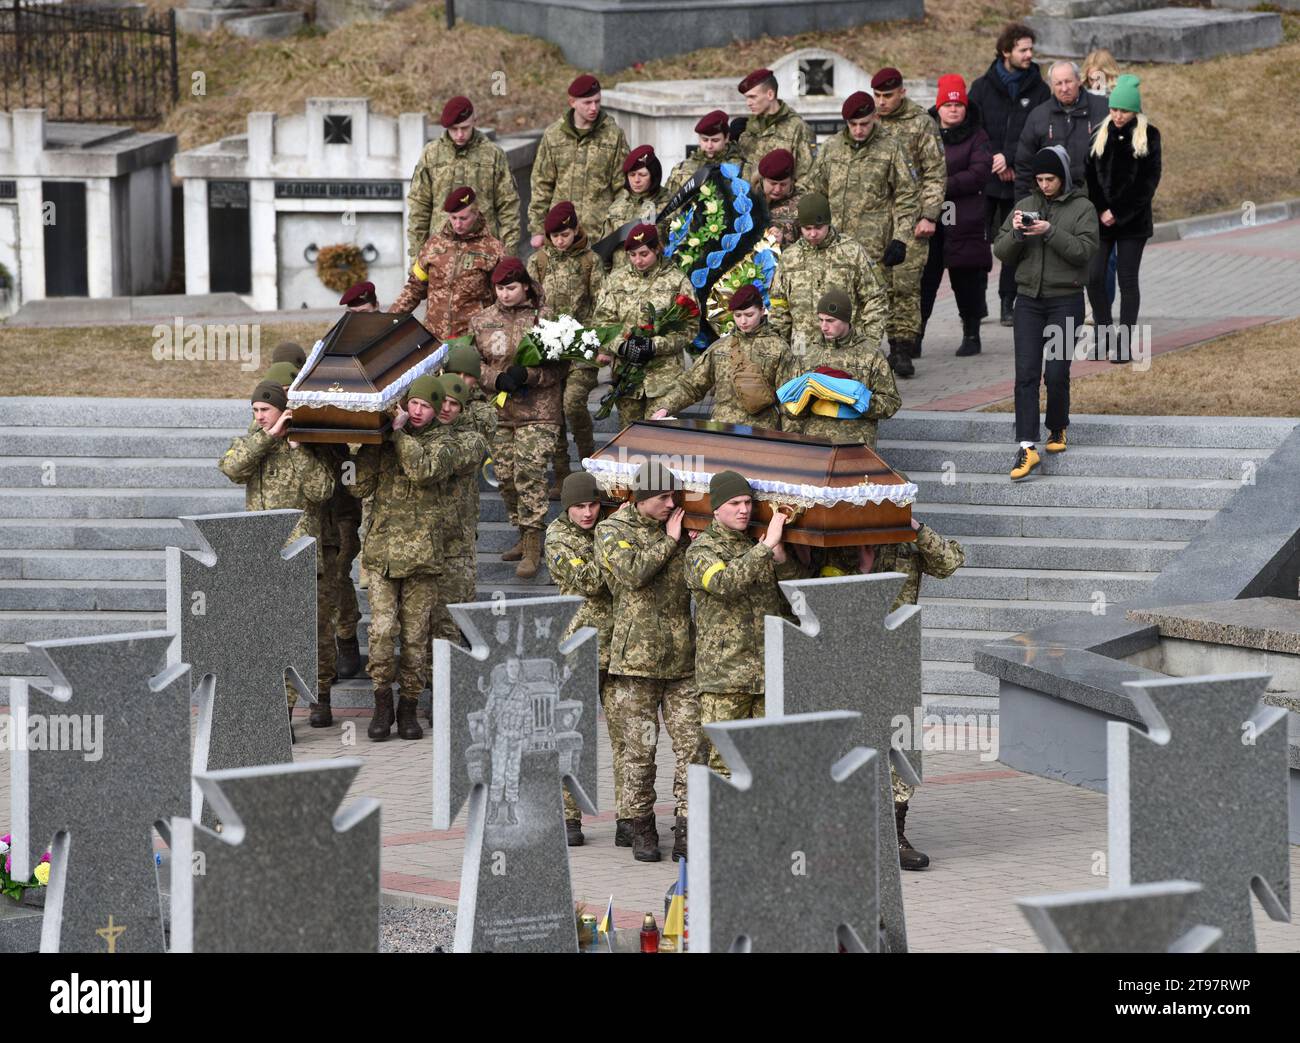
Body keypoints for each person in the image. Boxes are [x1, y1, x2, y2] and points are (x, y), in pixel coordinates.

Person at [350, 375, 487, 740]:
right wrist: (370, 443)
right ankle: (382, 702)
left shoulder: (446, 442)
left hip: (424, 556)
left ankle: (408, 705)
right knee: (380, 632)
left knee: (414, 637)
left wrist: (396, 435)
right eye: (414, 403)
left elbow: (423, 470)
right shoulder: (389, 440)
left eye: (427, 405)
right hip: (382, 555)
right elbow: (356, 484)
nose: (419, 411)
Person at [595, 460, 701, 863]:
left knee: (693, 748)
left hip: (682, 661)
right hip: (635, 663)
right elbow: (633, 572)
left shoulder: (681, 530)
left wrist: (687, 540)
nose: (670, 503)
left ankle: (688, 827)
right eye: (662, 498)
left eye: (673, 496)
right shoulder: (612, 530)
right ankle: (640, 827)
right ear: (640, 499)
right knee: (639, 753)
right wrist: (671, 541)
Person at [218, 380, 335, 734]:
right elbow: (232, 467)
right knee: (271, 639)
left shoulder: (302, 443)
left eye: (264, 411)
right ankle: (279, 714)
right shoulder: (256, 441)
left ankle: (313, 699)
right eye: (254, 411)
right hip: (261, 555)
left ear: (282, 410)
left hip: (297, 555)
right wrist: (267, 437)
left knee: (304, 636)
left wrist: (296, 447)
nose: (258, 416)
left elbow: (323, 490)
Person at [851, 516, 966, 870]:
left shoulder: (909, 543)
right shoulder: (848, 539)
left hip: (897, 660)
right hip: (853, 660)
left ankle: (894, 835)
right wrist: (864, 568)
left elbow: (949, 563)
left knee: (901, 747)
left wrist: (916, 529)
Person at [684, 471, 807, 776]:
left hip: (767, 676)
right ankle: (722, 825)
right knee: (724, 762)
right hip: (725, 678)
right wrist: (765, 549)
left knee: (769, 761)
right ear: (715, 509)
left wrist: (780, 558)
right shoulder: (702, 550)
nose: (744, 509)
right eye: (734, 503)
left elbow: (798, 599)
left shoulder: (758, 545)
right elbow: (725, 583)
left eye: (748, 502)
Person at [994, 146, 1099, 481]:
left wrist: (1049, 232)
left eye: (1050, 179)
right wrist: (1016, 233)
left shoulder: (1083, 207)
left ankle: (1057, 426)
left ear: (1063, 177)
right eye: (1039, 179)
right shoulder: (1026, 205)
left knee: (1055, 372)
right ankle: (1026, 446)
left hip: (1065, 299)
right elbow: (1001, 252)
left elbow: (1084, 252)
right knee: (1025, 373)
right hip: (1027, 301)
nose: (1045, 185)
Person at [805, 90, 919, 376]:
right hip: (835, 244)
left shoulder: (890, 148)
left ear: (874, 119)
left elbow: (907, 194)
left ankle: (868, 360)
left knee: (874, 303)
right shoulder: (831, 148)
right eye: (853, 124)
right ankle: (834, 363)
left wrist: (901, 237)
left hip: (874, 245)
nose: (858, 130)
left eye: (864, 124)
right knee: (835, 303)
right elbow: (814, 190)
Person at [471, 257, 566, 581]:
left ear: (525, 285)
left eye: (510, 287)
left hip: (539, 412)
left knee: (530, 473)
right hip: (501, 411)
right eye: (499, 288)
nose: (505, 294)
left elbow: (560, 367)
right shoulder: (482, 321)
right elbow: (471, 361)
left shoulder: (546, 320)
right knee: (506, 477)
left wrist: (529, 374)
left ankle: (534, 543)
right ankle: (520, 531)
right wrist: (496, 378)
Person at [544, 472, 616, 847]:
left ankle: (633, 818)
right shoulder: (558, 538)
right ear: (566, 507)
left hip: (620, 645)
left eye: (593, 505)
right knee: (572, 737)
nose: (588, 513)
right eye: (579, 507)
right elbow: (592, 581)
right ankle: (569, 817)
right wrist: (618, 546)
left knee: (627, 741)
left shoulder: (609, 525)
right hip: (579, 647)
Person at [968, 22, 1051, 327]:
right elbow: (974, 128)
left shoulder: (1040, 90)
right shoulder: (981, 86)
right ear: (1006, 52)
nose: (1030, 54)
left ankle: (1008, 302)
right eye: (1023, 49)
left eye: (1031, 49)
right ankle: (975, 307)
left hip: (1019, 178)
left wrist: (1012, 158)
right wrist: (994, 159)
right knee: (976, 245)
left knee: (1015, 242)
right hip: (986, 178)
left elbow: (1039, 130)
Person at [872, 67, 948, 379]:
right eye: (876, 95)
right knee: (877, 286)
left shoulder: (921, 123)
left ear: (902, 91)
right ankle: (879, 345)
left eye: (887, 95)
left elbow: (934, 172)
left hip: (910, 219)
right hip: (874, 221)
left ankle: (903, 348)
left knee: (905, 285)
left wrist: (929, 215)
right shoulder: (870, 123)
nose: (881, 102)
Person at [526, 200, 606, 489]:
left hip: (581, 348)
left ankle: (589, 464)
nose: (560, 241)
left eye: (565, 235)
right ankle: (561, 474)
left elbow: (602, 303)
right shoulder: (539, 261)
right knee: (554, 410)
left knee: (573, 404)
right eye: (554, 236)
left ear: (575, 230)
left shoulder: (590, 261)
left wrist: (600, 343)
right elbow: (528, 304)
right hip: (548, 350)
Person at [1086, 75, 1161, 365]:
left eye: (1124, 111)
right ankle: (1104, 333)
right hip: (1100, 220)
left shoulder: (1149, 135)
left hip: (1132, 223)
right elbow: (1089, 176)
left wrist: (1118, 212)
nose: (1117, 115)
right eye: (1114, 109)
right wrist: (1101, 209)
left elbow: (1148, 182)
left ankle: (1124, 342)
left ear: (1135, 111)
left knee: (1127, 279)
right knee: (1093, 276)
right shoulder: (1099, 133)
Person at [590, 222, 695, 424]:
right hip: (628, 377)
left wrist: (654, 345)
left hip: (664, 379)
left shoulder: (677, 281)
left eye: (644, 254)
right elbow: (602, 322)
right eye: (632, 255)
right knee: (628, 441)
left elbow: (690, 328)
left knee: (660, 443)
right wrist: (622, 345)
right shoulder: (616, 280)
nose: (638, 260)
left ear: (657, 249)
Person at [920, 75, 993, 359]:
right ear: (938, 107)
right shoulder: (925, 133)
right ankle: (915, 336)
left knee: (966, 279)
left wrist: (939, 184)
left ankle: (971, 334)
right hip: (929, 218)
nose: (953, 110)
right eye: (948, 104)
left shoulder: (978, 135)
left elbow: (979, 172)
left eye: (958, 104)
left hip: (965, 219)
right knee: (925, 280)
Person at [650, 283, 788, 428]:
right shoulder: (720, 347)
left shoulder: (778, 348)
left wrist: (789, 440)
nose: (743, 321)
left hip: (762, 431)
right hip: (722, 428)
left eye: (749, 315)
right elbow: (691, 385)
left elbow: (790, 400)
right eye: (737, 315)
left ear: (762, 311)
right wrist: (665, 407)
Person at [777, 288, 902, 448]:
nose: (823, 326)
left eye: (830, 321)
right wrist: (807, 399)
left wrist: (856, 399)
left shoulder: (870, 354)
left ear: (846, 319)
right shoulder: (809, 354)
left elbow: (891, 403)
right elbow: (789, 408)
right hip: (817, 443)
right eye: (820, 320)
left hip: (856, 443)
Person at [768, 193, 888, 355]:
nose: (812, 234)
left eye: (818, 228)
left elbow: (875, 298)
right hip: (802, 350)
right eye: (807, 229)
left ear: (828, 223)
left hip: (846, 348)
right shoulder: (790, 258)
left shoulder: (851, 252)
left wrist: (869, 342)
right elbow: (779, 306)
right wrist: (779, 348)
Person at [406, 95, 521, 259]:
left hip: (484, 252)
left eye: (465, 128)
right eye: (454, 129)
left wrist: (508, 254)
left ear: (474, 121)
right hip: (441, 253)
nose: (460, 134)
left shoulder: (492, 154)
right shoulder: (431, 154)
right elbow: (419, 207)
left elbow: (508, 205)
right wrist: (416, 258)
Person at [426, 372, 491, 651]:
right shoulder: (420, 434)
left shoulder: (471, 440)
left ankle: (446, 682)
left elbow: (437, 464)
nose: (447, 408)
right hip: (423, 539)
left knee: (451, 618)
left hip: (457, 542)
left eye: (455, 404)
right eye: (443, 401)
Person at [389, 186, 505, 341]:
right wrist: (388, 321)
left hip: (472, 338)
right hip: (434, 336)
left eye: (463, 218)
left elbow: (503, 298)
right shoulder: (434, 244)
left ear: (476, 214)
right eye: (453, 218)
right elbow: (414, 288)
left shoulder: (493, 249)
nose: (457, 224)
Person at [528, 75, 629, 250]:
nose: (594, 108)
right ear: (572, 102)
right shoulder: (553, 135)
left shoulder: (613, 135)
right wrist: (537, 228)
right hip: (560, 235)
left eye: (597, 102)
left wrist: (618, 227)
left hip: (599, 235)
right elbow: (541, 184)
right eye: (587, 102)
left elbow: (623, 187)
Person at [1013, 60, 1109, 203]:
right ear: (1051, 86)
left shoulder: (1103, 109)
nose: (1064, 88)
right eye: (1058, 83)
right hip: (1054, 203)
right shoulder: (1038, 116)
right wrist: (1025, 206)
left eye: (1068, 81)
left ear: (1079, 80)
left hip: (1097, 201)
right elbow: (1024, 165)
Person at [735, 68, 815, 189]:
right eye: (747, 98)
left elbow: (807, 180)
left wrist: (785, 207)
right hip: (748, 204)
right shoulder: (747, 127)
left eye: (753, 97)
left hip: (783, 204)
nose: (748, 103)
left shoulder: (798, 128)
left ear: (770, 94)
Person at [664, 110, 748, 194]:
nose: (709, 146)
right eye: (705, 140)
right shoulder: (682, 169)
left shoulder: (742, 167)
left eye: (715, 140)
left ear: (726, 138)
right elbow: (669, 201)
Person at [604, 145, 671, 239]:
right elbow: (605, 247)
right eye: (632, 175)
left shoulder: (669, 205)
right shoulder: (616, 207)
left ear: (654, 175)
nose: (636, 180)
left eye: (642, 175)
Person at [757, 148, 803, 246]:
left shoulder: (803, 203)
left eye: (783, 184)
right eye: (773, 183)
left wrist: (783, 241)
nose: (777, 189)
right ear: (762, 180)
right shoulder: (748, 199)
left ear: (791, 181)